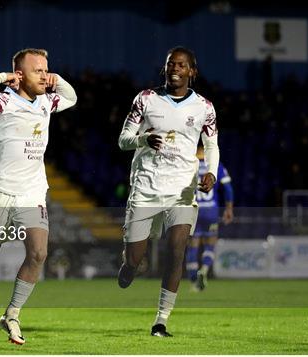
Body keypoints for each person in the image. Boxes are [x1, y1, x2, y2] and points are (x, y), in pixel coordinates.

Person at [0, 48, 77, 344]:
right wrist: (2, 78)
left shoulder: (47, 102)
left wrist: (56, 78)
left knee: (38, 253)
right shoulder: (3, 101)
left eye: (46, 69)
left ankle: (11, 314)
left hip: (32, 191)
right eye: (38, 70)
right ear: (20, 74)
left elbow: (72, 97)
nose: (45, 75)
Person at [116, 46, 219, 337]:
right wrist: (144, 139)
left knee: (177, 251)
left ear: (192, 72)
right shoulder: (146, 99)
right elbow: (123, 139)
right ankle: (128, 267)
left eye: (182, 65)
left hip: (182, 190)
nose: (175, 68)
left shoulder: (204, 107)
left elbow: (211, 145)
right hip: (146, 188)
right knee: (134, 260)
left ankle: (161, 320)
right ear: (165, 69)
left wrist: (210, 170)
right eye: (171, 64)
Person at [186, 145, 234, 291]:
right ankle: (204, 271)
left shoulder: (188, 165)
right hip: (211, 211)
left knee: (192, 246)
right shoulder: (216, 166)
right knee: (210, 244)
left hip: (193, 210)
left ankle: (194, 281)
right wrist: (229, 209)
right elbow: (228, 188)